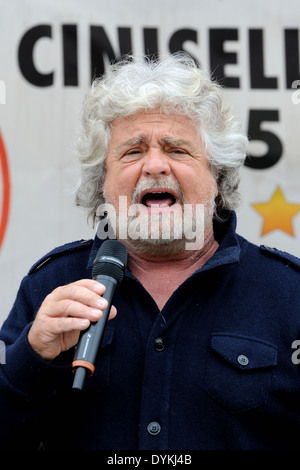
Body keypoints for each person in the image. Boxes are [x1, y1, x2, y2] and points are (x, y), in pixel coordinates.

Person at [1, 53, 300, 451]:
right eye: (132, 151)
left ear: (216, 175)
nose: (155, 165)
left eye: (177, 150)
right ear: (102, 181)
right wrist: (31, 359)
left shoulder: (290, 293)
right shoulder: (51, 285)